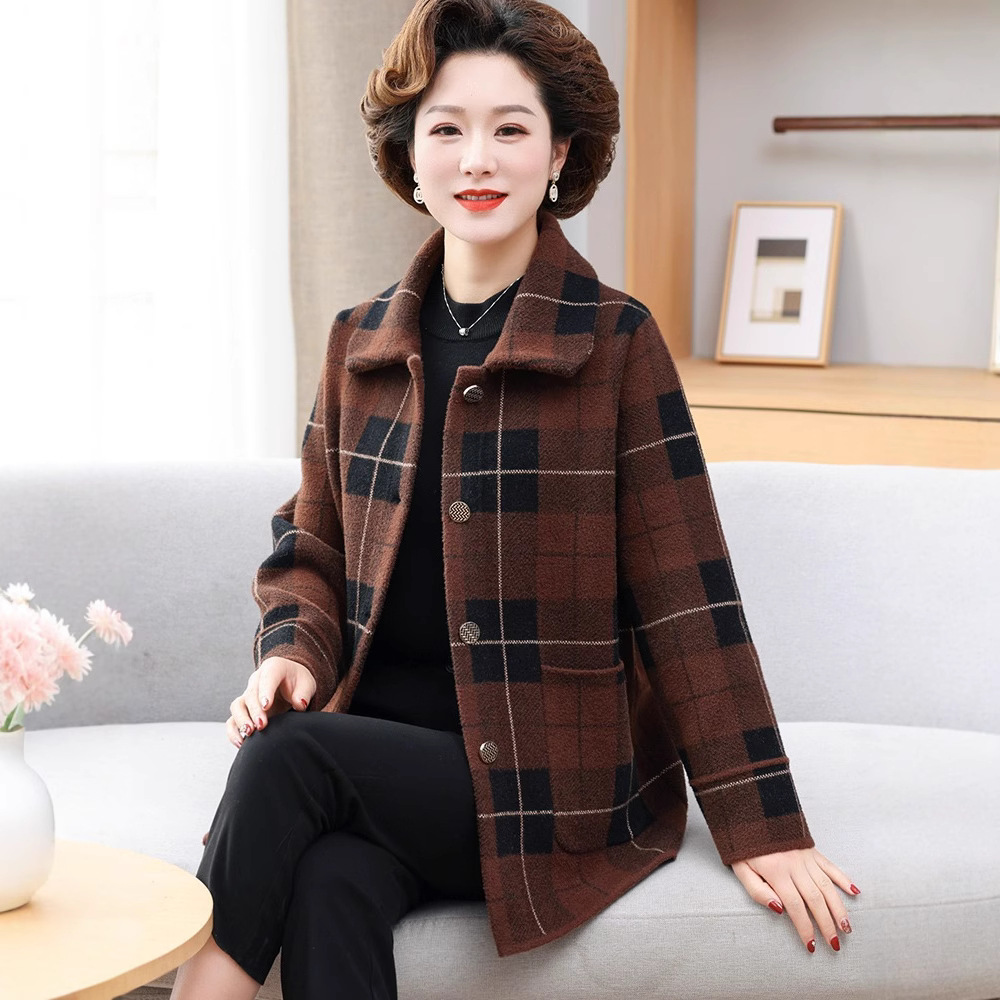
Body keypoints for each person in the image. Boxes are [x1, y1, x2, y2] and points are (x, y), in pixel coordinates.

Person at [171, 1, 860, 997]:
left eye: (510, 129)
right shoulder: (358, 342)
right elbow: (308, 549)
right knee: (329, 881)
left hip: (545, 781)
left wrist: (765, 824)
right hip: (381, 756)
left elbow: (687, 596)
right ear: (411, 157)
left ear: (558, 154)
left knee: (288, 761)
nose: (477, 160)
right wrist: (292, 652)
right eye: (447, 129)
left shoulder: (614, 343)